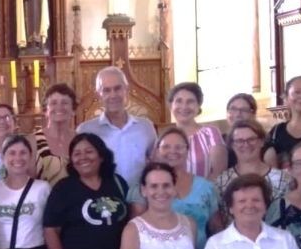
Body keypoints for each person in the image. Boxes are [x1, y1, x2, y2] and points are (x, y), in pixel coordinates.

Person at [78, 67, 157, 203]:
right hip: (103, 203)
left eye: (117, 88)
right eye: (106, 90)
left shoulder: (146, 127)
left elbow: (156, 164)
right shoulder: (86, 130)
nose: (113, 95)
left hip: (141, 202)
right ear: (98, 94)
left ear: (126, 89)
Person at [154, 128, 220, 249]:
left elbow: (216, 227)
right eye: (166, 146)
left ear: (187, 151)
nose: (172, 151)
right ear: (157, 151)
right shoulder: (144, 186)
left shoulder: (205, 187)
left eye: (179, 147)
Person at [215, 119, 292, 224]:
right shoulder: (221, 182)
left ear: (261, 142)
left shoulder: (283, 180)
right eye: (239, 141)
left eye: (251, 139)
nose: (246, 145)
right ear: (232, 145)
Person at [168, 82, 228, 180]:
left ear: (198, 106)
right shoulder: (166, 138)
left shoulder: (210, 133)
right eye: (179, 101)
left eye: (190, 101)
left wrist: (195, 194)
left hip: (206, 193)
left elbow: (219, 172)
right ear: (171, 106)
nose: (184, 107)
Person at [34, 84, 79, 186]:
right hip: (43, 200)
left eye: (65, 103)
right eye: (53, 103)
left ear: (73, 110)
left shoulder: (81, 140)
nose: (59, 107)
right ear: (45, 110)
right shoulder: (32, 141)